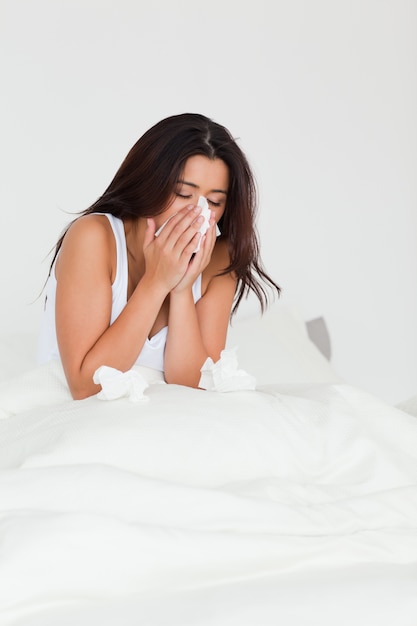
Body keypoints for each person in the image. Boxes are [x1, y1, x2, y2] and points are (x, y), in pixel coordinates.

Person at [38, 113, 280, 399]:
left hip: (163, 425)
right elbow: (86, 386)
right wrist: (156, 282)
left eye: (214, 202)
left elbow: (196, 386)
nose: (198, 212)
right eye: (182, 193)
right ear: (150, 183)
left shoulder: (219, 259)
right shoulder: (93, 237)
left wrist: (181, 289)